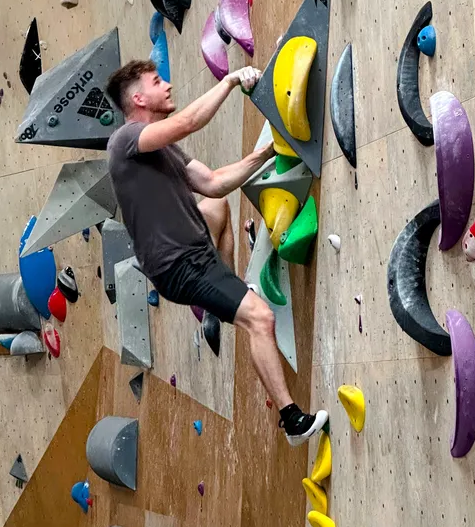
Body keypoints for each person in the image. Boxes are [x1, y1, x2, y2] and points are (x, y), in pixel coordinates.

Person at [106, 60, 328, 446]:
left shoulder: (164, 149)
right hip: (180, 266)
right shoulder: (125, 141)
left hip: (197, 252)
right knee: (260, 319)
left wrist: (266, 154)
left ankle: (227, 296)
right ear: (139, 98)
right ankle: (292, 421)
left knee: (216, 209)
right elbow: (190, 121)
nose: (169, 85)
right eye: (158, 82)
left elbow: (213, 182)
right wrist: (228, 81)